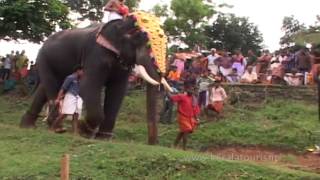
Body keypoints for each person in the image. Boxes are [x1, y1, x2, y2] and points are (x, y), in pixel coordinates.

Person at [51, 65, 84, 133]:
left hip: (77, 97)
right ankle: (53, 128)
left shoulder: (80, 80)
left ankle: (75, 133)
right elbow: (63, 88)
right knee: (65, 114)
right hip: (70, 96)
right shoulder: (70, 78)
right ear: (78, 70)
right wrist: (58, 98)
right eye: (82, 71)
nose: (83, 73)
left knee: (76, 115)